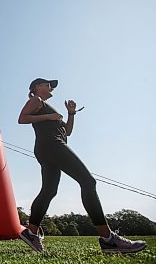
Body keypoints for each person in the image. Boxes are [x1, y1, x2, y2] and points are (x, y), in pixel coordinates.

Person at [18, 78, 147, 253]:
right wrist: (50, 116)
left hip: (47, 148)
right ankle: (108, 239)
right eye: (47, 84)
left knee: (49, 191)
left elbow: (68, 132)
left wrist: (70, 114)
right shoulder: (36, 100)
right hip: (52, 145)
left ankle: (31, 233)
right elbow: (22, 118)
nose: (51, 88)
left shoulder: (50, 108)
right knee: (88, 182)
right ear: (37, 87)